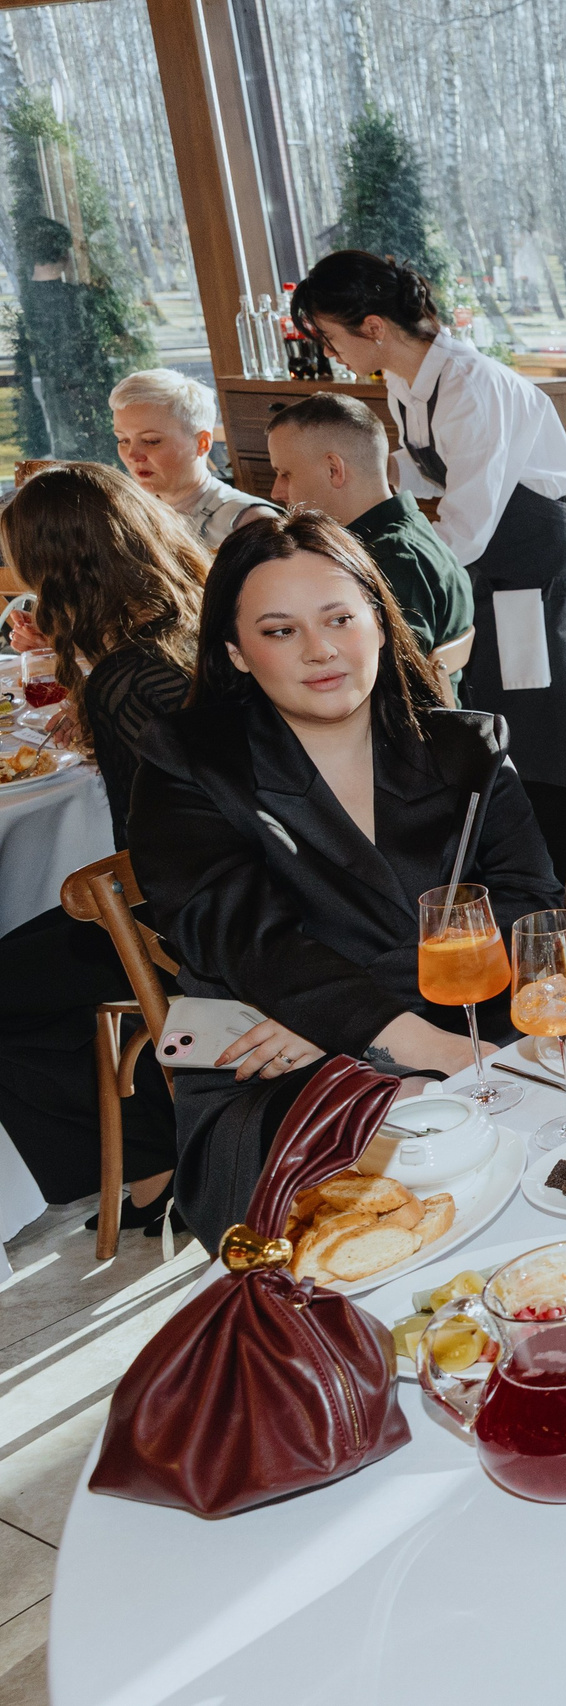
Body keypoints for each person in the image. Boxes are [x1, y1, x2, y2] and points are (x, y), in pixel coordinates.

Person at [127, 509, 559, 1241]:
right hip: (274, 1079)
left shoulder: (468, 749)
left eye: (339, 618)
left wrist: (333, 1017)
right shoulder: (189, 761)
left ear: (381, 624)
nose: (321, 650)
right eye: (280, 631)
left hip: (442, 1026)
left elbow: (529, 910)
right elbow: (251, 945)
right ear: (235, 651)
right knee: (421, 1151)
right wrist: (409, 1042)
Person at [291, 249, 566, 873]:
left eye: (330, 336)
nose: (330, 351)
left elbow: (469, 520)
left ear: (372, 327)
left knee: (545, 728)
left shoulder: (469, 385)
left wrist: (386, 573)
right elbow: (417, 466)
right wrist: (367, 476)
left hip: (532, 557)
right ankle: (522, 871)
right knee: (502, 716)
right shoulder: (408, 382)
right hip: (496, 555)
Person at [0, 464, 206, 1233]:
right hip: (205, 895)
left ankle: (151, 1167)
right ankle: (157, 1154)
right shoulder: (182, 620)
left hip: (184, 920)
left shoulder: (128, 678)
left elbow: (151, 840)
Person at [263, 390, 472, 654]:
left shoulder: (392, 559)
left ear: (334, 470)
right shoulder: (411, 531)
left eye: (285, 474)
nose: (276, 493)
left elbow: (394, 681)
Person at [108, 368, 277, 548]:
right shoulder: (124, 519)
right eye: (123, 440)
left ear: (202, 443)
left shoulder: (250, 523)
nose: (133, 455)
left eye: (151, 441)